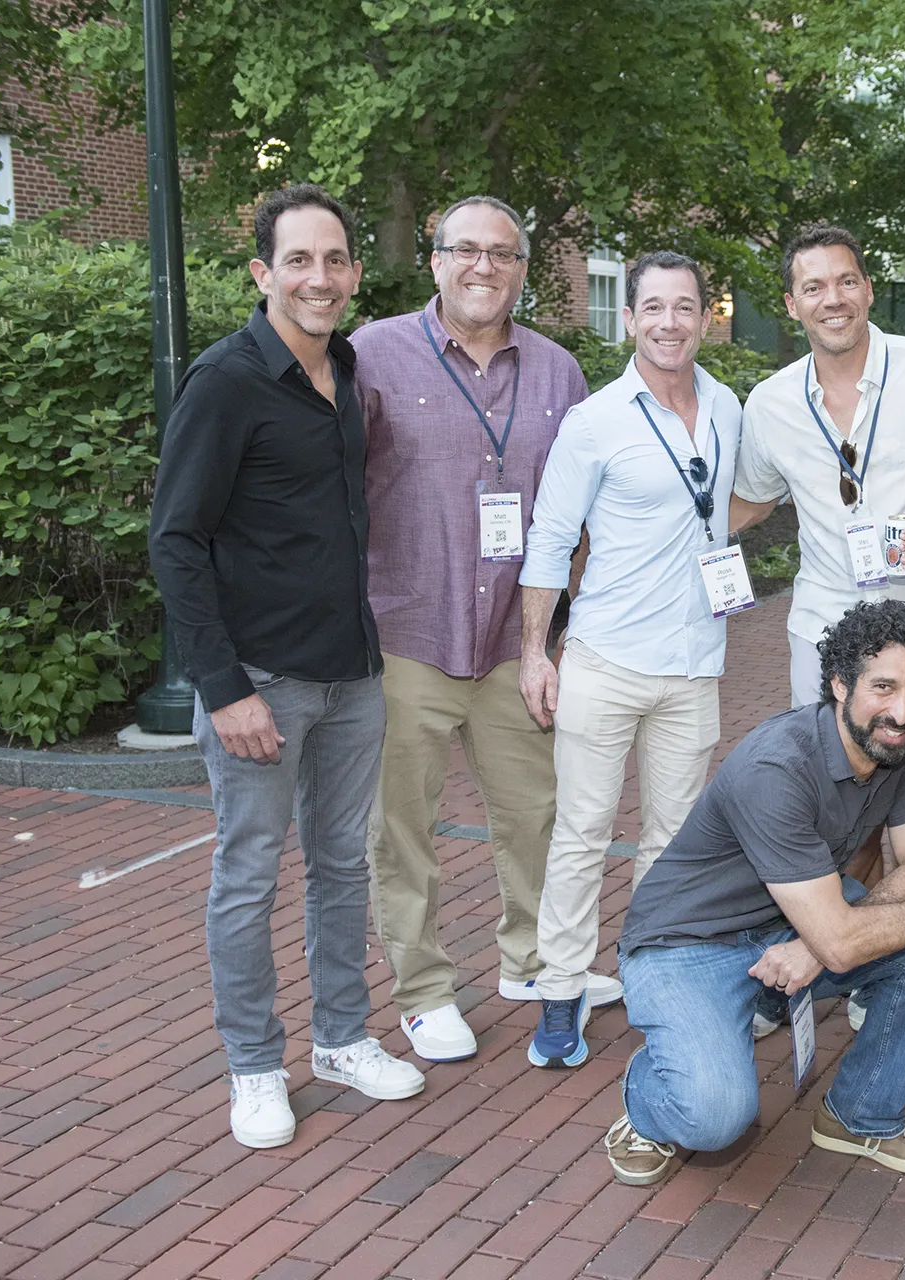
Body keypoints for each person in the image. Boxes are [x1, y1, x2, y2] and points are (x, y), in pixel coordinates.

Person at [602, 601, 905, 1186]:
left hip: (795, 916)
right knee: (716, 1117)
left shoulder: (903, 741)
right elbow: (873, 927)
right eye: (884, 687)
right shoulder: (777, 767)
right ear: (840, 684)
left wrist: (815, 944)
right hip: (685, 942)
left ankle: (859, 1114)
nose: (902, 710)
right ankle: (650, 1093)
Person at [149, 184, 423, 1150]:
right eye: (298, 260)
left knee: (343, 864)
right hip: (260, 682)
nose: (320, 277)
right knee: (248, 873)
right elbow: (175, 541)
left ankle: (342, 1039)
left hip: (352, 673)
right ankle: (255, 1066)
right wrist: (223, 690)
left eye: (335, 259)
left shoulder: (345, 371)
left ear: (354, 272)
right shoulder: (226, 382)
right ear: (263, 272)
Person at [350, 195, 596, 1064]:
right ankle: (420, 992)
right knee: (403, 830)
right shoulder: (372, 354)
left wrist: (564, 629)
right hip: (404, 634)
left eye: (503, 253)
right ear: (436, 260)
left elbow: (580, 511)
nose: (483, 267)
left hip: (511, 644)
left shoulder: (560, 371)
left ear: (524, 269)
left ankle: (529, 960)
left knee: (538, 815)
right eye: (466, 250)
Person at [516, 251, 744, 1069]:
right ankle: (559, 991)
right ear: (630, 319)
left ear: (704, 318)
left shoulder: (727, 406)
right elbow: (548, 539)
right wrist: (535, 652)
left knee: (673, 841)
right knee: (580, 834)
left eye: (686, 307)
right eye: (654, 307)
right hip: (605, 660)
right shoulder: (596, 420)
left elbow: (729, 504)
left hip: (695, 663)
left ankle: (650, 974)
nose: (670, 322)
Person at [731, 223, 905, 734]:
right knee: (826, 782)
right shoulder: (770, 402)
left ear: (868, 288)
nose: (833, 300)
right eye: (813, 287)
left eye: (846, 282)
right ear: (791, 303)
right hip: (820, 621)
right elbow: (750, 502)